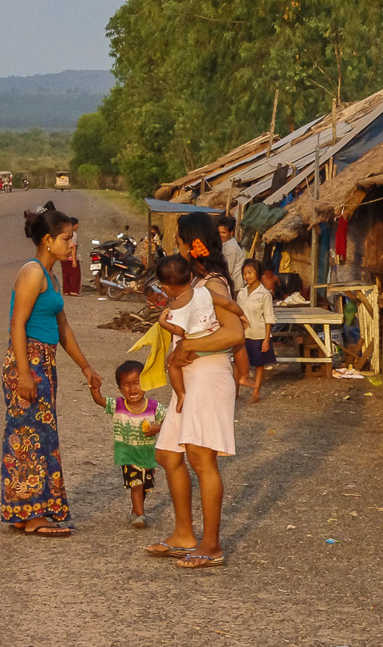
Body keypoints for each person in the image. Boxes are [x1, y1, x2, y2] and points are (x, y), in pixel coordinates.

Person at [144, 212, 246, 567]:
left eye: (180, 240)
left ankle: (211, 544)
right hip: (191, 378)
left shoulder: (213, 283)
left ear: (192, 242)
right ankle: (184, 533)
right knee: (169, 455)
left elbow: (234, 333)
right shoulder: (195, 282)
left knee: (202, 460)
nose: (178, 247)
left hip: (208, 374)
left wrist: (190, 348)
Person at [2, 201, 102, 537]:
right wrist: (25, 373)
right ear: (48, 240)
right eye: (66, 238)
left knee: (40, 436)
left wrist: (86, 367)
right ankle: (32, 515)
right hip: (27, 361)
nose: (71, 244)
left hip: (44, 361)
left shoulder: (51, 277)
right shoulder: (32, 272)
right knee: (28, 438)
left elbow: (64, 329)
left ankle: (25, 511)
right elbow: (17, 325)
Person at [88, 360, 166, 529]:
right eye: (127, 385)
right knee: (136, 483)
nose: (132, 389)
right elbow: (101, 401)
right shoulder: (118, 405)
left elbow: (170, 421)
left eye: (137, 383)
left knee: (145, 486)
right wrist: (95, 391)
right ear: (120, 389)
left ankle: (135, 510)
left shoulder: (154, 407)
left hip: (148, 455)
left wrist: (157, 427)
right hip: (128, 455)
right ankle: (141, 514)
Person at [155, 255, 222, 414]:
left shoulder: (177, 304)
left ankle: (181, 394)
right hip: (214, 337)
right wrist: (241, 314)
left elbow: (179, 331)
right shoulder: (205, 291)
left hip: (196, 344)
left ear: (165, 288)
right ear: (191, 276)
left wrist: (163, 323)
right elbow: (227, 303)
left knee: (172, 363)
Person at [238, 259, 277, 404]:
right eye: (244, 273)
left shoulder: (264, 294)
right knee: (239, 363)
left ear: (257, 273)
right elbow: (238, 311)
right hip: (243, 334)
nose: (247, 276)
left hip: (258, 334)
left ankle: (256, 392)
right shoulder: (241, 293)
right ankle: (235, 391)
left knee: (258, 364)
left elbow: (268, 317)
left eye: (250, 273)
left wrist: (267, 339)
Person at [217, 215, 244, 290]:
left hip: (234, 286)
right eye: (219, 232)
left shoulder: (231, 248)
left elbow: (229, 270)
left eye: (223, 232)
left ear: (231, 233)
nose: (220, 235)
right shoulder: (225, 244)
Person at [61, 217, 81, 296]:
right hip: (70, 257)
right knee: (76, 275)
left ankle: (66, 290)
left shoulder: (63, 234)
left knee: (65, 275)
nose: (77, 227)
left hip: (63, 257)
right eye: (77, 225)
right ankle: (74, 290)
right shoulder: (73, 235)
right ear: (73, 225)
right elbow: (73, 247)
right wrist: (74, 260)